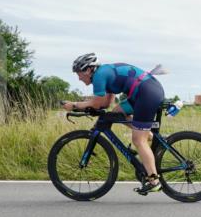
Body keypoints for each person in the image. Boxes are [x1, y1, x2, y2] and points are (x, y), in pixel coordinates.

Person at [63, 53, 166, 193]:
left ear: (88, 70)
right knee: (117, 113)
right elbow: (106, 103)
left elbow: (97, 103)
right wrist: (89, 107)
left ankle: (154, 181)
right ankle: (152, 137)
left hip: (146, 93)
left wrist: (75, 105)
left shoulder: (99, 76)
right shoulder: (103, 73)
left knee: (138, 140)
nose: (79, 78)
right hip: (144, 91)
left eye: (79, 73)